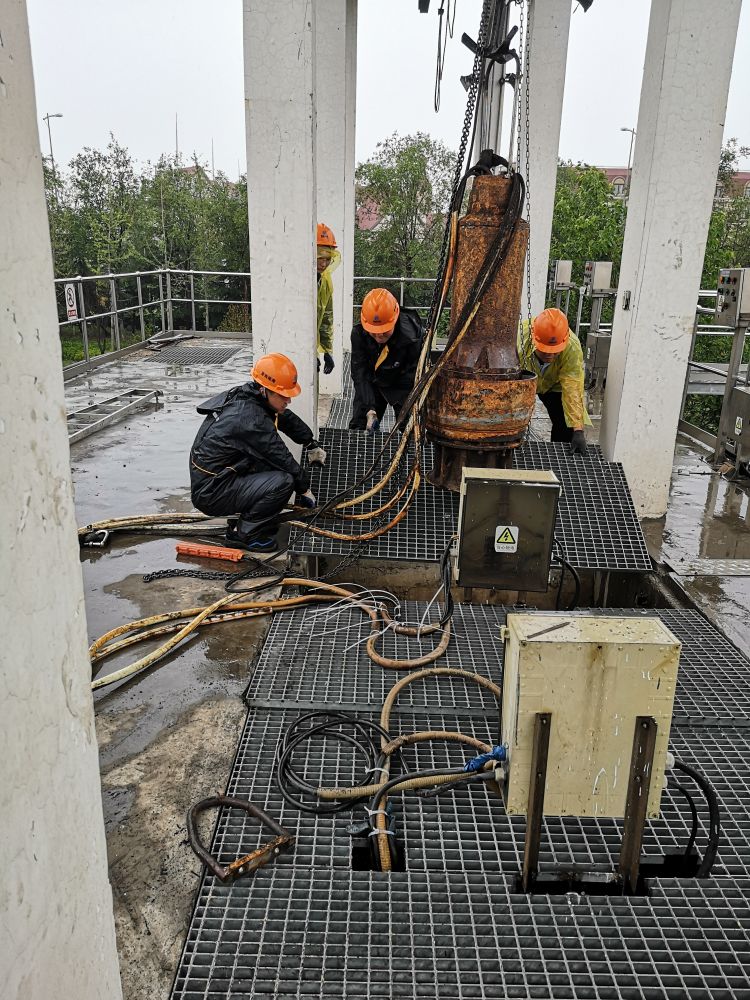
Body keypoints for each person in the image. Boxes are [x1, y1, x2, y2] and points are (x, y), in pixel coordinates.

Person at [189, 353, 327, 552]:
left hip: (220, 477)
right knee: (283, 481)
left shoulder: (249, 396)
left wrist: (309, 442)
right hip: (211, 491)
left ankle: (253, 519)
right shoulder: (250, 419)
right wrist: (304, 489)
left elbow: (284, 417)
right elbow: (280, 455)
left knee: (269, 468)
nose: (288, 400)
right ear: (264, 390)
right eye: (283, 395)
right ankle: (243, 534)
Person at [349, 287, 423, 434]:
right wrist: (370, 409)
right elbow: (360, 373)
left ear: (394, 319)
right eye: (374, 332)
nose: (379, 337)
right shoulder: (359, 334)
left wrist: (404, 412)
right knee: (360, 425)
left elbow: (412, 376)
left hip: (401, 379)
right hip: (372, 379)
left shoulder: (411, 336)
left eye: (385, 331)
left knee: (409, 428)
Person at [517, 307, 591, 455]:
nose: (550, 355)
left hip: (555, 385)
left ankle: (560, 460)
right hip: (523, 380)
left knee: (565, 427)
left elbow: (573, 389)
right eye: (544, 350)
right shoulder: (520, 339)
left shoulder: (572, 348)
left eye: (555, 350)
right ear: (534, 338)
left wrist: (578, 430)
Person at [316, 223, 341, 376]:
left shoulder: (325, 281)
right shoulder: (298, 280)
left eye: (327, 259)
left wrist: (327, 350)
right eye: (320, 258)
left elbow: (326, 317)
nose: (324, 264)